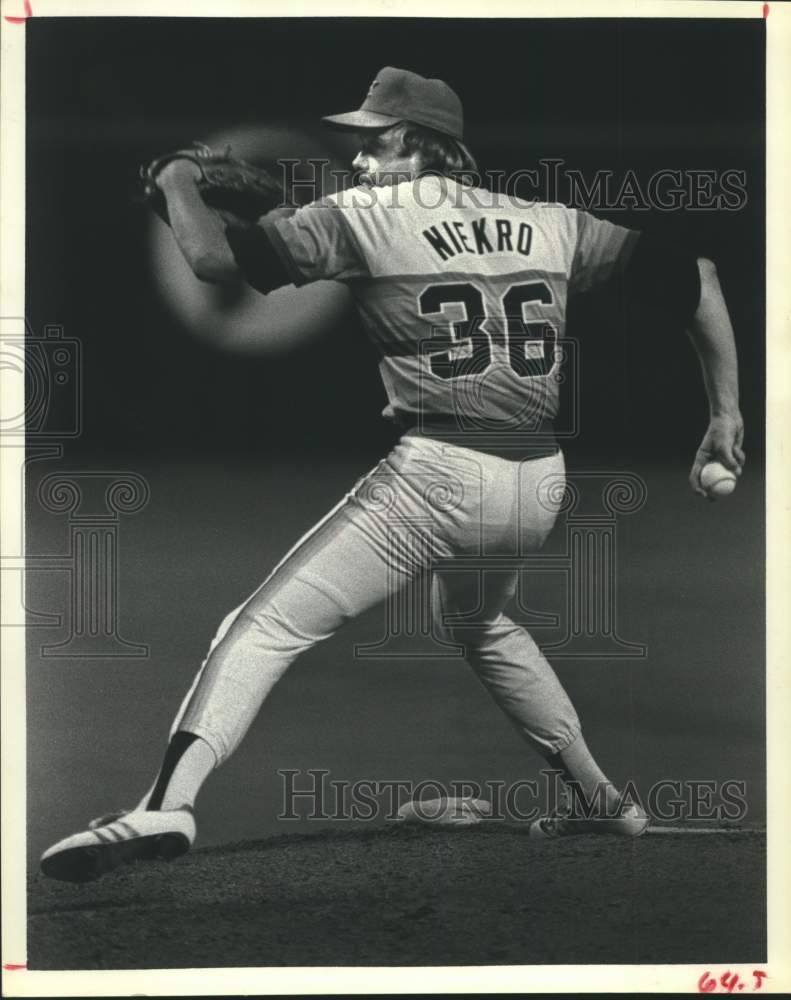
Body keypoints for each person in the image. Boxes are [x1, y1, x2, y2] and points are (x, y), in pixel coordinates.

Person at [41, 66, 745, 882]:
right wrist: (724, 414)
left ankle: (165, 804)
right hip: (539, 479)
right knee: (481, 625)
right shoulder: (545, 220)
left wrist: (175, 180)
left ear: (419, 144)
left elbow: (210, 262)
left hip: (440, 476)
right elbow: (698, 277)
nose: (362, 156)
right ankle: (601, 802)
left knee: (261, 626)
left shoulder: (364, 214)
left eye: (375, 140)